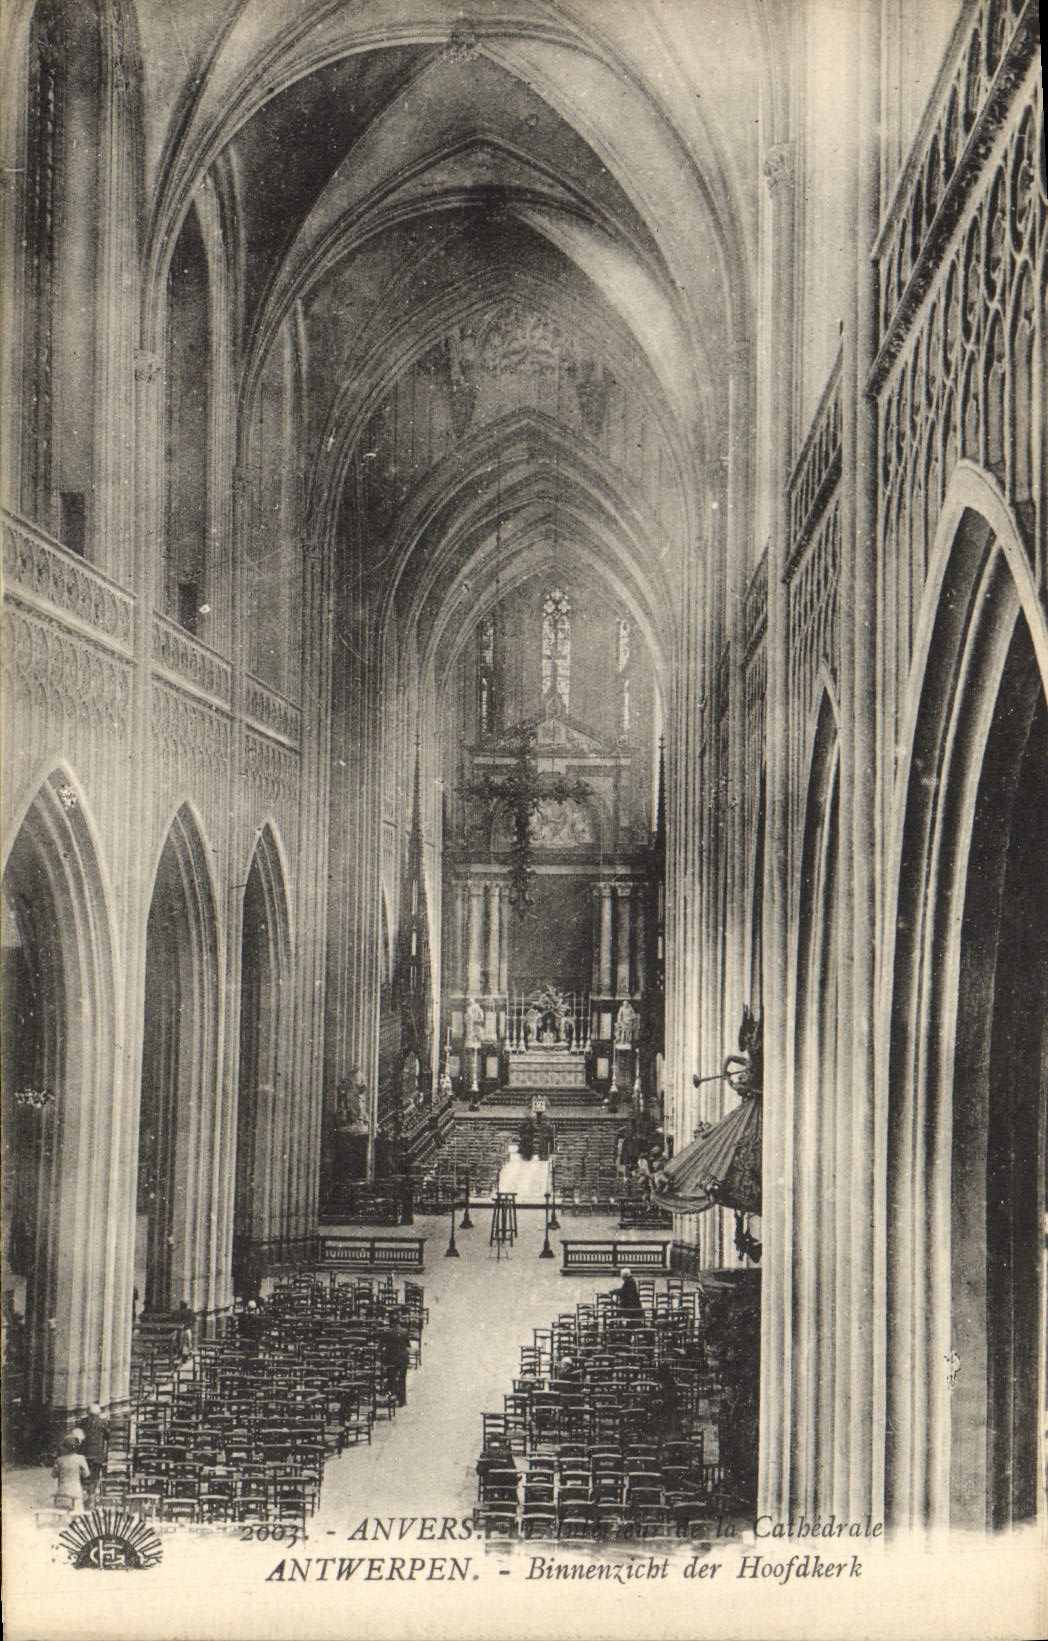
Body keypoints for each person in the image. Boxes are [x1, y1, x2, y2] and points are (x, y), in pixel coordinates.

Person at [52, 1435, 90, 1511]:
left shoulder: (59, 1460)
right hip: (76, 1493)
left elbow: (54, 1475)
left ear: (65, 1447)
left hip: (62, 1492)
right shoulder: (80, 1458)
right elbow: (86, 1474)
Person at [81, 1404, 109, 1498]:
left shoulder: (83, 1422)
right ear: (98, 1414)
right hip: (97, 1454)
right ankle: (92, 1490)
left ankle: (88, 1490)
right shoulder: (102, 1423)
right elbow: (108, 1436)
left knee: (86, 1472)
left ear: (89, 1414)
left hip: (85, 1454)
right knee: (95, 1472)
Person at [381, 1321, 412, 1407]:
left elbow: (382, 1346)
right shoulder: (404, 1332)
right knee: (402, 1379)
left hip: (392, 1359)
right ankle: (402, 1400)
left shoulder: (387, 1333)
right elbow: (408, 1346)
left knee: (392, 1378)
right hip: (402, 1359)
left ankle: (392, 1396)